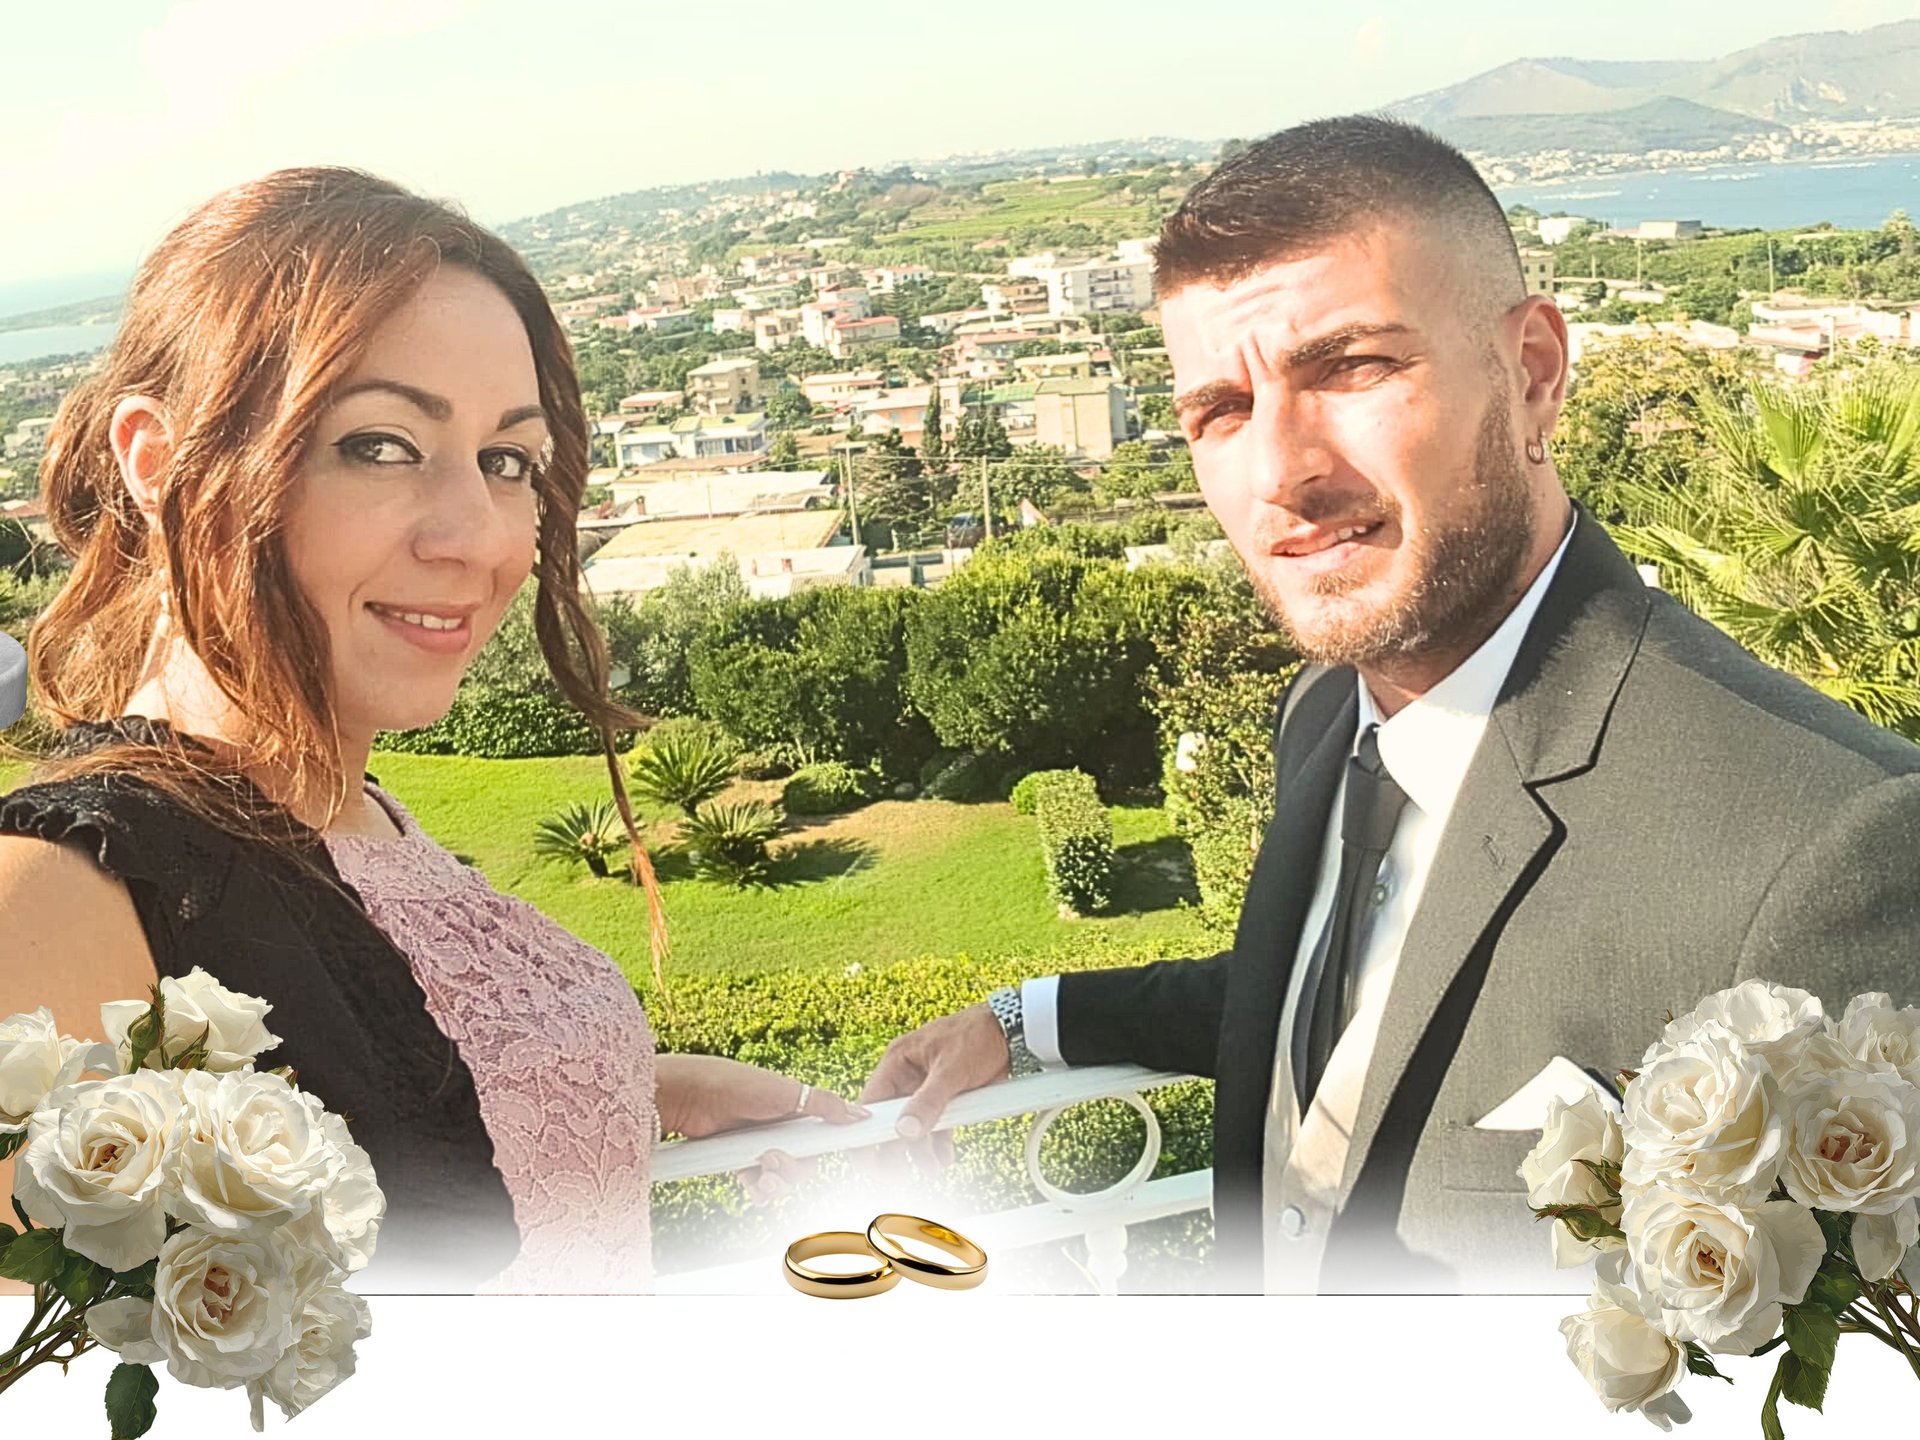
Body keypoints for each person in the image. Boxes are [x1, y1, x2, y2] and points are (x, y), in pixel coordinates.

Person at [860, 116, 1920, 1294]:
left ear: (1532, 375)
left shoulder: (1832, 847)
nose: (1282, 473)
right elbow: (1344, 995)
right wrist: (1023, 1022)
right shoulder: (1325, 716)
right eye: (1221, 408)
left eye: (1352, 367)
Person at [0, 167, 859, 1295]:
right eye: (384, 446)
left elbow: (392, 1069)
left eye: (509, 461)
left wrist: (631, 1081)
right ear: (160, 463)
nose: (478, 537)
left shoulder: (350, 813)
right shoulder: (56, 903)